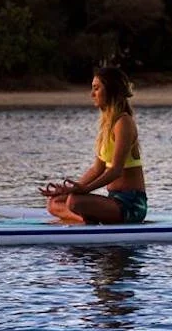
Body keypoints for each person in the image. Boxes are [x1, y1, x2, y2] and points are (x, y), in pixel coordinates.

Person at [40, 67, 147, 224]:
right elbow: (97, 169)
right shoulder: (107, 125)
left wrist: (83, 190)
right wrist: (72, 189)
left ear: (111, 90)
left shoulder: (123, 122)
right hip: (113, 200)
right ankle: (87, 219)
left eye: (97, 88)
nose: (92, 94)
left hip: (131, 204)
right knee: (54, 202)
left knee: (74, 202)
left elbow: (116, 170)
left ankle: (86, 218)